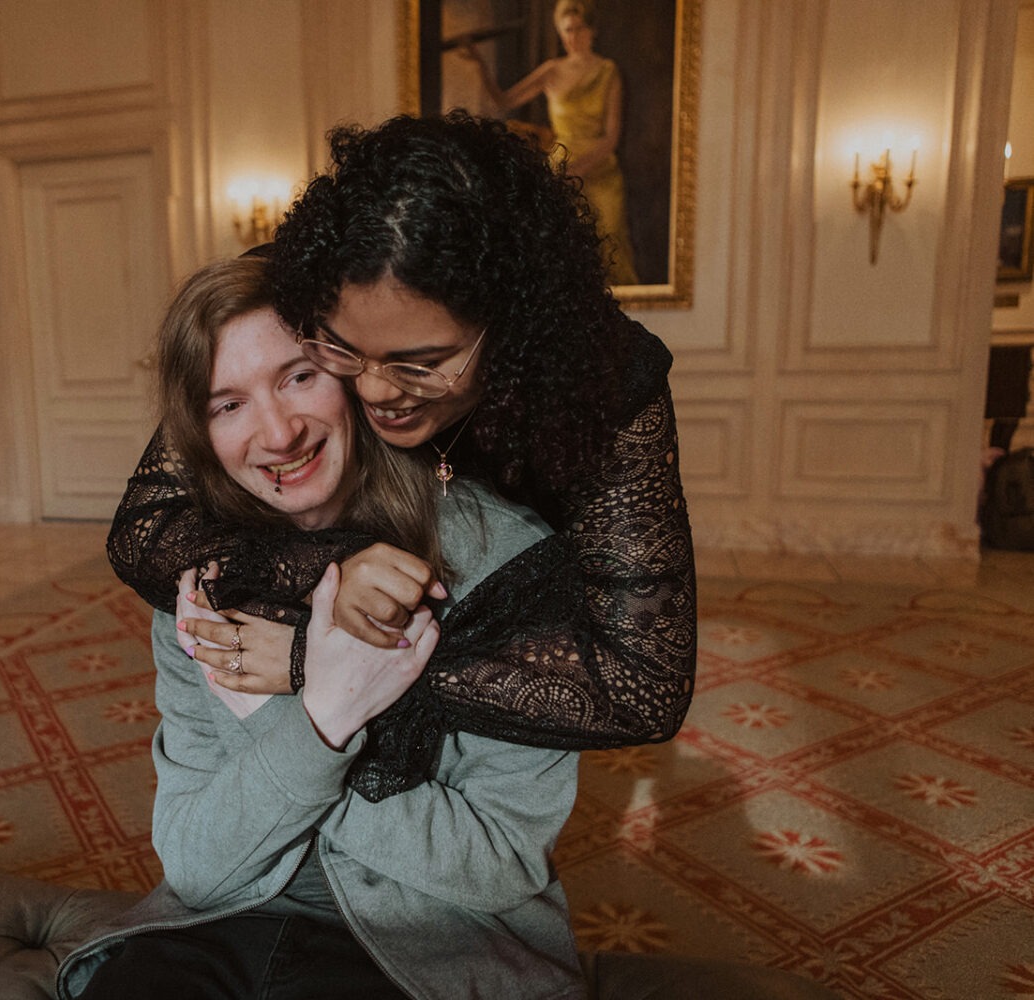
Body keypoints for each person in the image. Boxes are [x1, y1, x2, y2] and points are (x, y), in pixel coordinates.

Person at [107, 112, 695, 799]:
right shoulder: (300, 291)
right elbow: (144, 528)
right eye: (344, 350)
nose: (377, 391)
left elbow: (643, 685)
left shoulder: (608, 384)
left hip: (510, 592)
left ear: (508, 328)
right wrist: (334, 571)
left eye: (421, 363)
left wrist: (316, 659)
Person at [59, 255, 584, 1000]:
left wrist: (303, 725)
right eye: (226, 404)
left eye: (297, 376)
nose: (277, 433)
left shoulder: (502, 561)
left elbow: (500, 859)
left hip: (431, 938)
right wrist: (321, 718)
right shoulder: (200, 578)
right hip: (227, 917)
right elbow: (196, 864)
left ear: (352, 373)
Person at [459, 0, 639, 285]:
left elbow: (611, 137)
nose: (573, 37)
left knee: (611, 244)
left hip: (600, 167)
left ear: (592, 31)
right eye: (567, 30)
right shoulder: (552, 71)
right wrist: (480, 64)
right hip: (560, 167)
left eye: (579, 29)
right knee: (556, 246)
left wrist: (579, 170)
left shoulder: (608, 71)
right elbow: (504, 101)